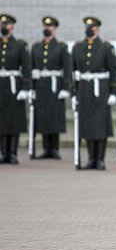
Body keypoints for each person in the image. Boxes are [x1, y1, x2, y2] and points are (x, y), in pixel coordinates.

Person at [71, 16, 116, 170]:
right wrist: (74, 92)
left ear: (97, 29)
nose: (89, 29)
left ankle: (100, 159)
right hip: (84, 90)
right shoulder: (78, 47)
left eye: (92, 27)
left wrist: (114, 92)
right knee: (87, 125)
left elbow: (114, 69)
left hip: (101, 90)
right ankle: (91, 158)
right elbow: (73, 71)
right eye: (87, 27)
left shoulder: (105, 47)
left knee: (100, 125)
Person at [31, 16, 71, 159]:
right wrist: (31, 85)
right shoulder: (36, 47)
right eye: (45, 27)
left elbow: (67, 67)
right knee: (42, 117)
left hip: (55, 86)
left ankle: (54, 148)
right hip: (41, 85)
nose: (47, 29)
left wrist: (66, 87)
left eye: (50, 27)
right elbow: (31, 66)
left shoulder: (60, 47)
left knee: (54, 117)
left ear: (54, 30)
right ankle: (45, 148)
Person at [0, 14, 31, 164]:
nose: (4, 27)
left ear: (12, 27)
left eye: (6, 25)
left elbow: (26, 66)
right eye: (2, 24)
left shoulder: (19, 45)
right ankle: (2, 152)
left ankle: (12, 152)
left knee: (13, 120)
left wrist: (25, 87)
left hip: (14, 86)